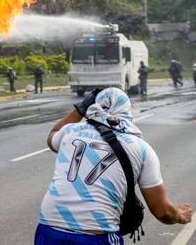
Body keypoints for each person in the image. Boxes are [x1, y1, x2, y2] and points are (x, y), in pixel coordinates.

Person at [35, 88, 191, 244]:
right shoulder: (141, 149)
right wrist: (180, 214)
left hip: (49, 226)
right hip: (97, 234)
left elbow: (52, 135)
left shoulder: (70, 131)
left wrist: (81, 109)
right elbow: (162, 211)